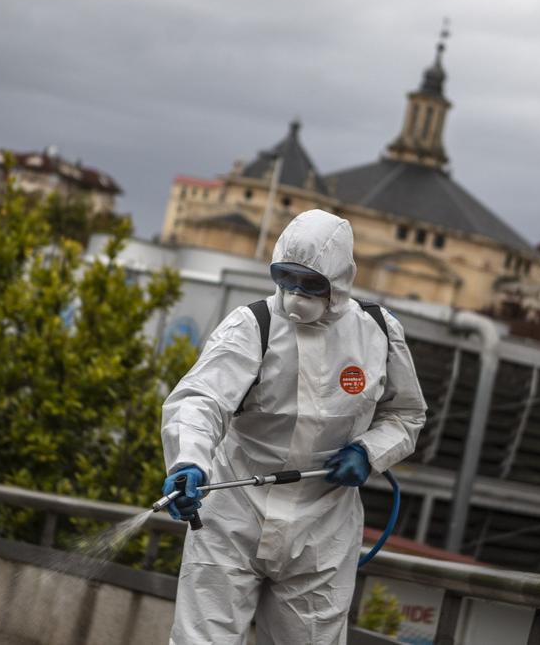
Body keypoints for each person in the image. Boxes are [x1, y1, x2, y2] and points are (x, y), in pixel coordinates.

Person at [160, 209, 427, 644]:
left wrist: (368, 452)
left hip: (322, 530)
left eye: (310, 284)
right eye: (285, 277)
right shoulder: (253, 325)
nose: (294, 294)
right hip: (233, 516)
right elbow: (201, 399)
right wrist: (189, 459)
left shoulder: (377, 333)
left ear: (340, 281)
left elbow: (407, 415)